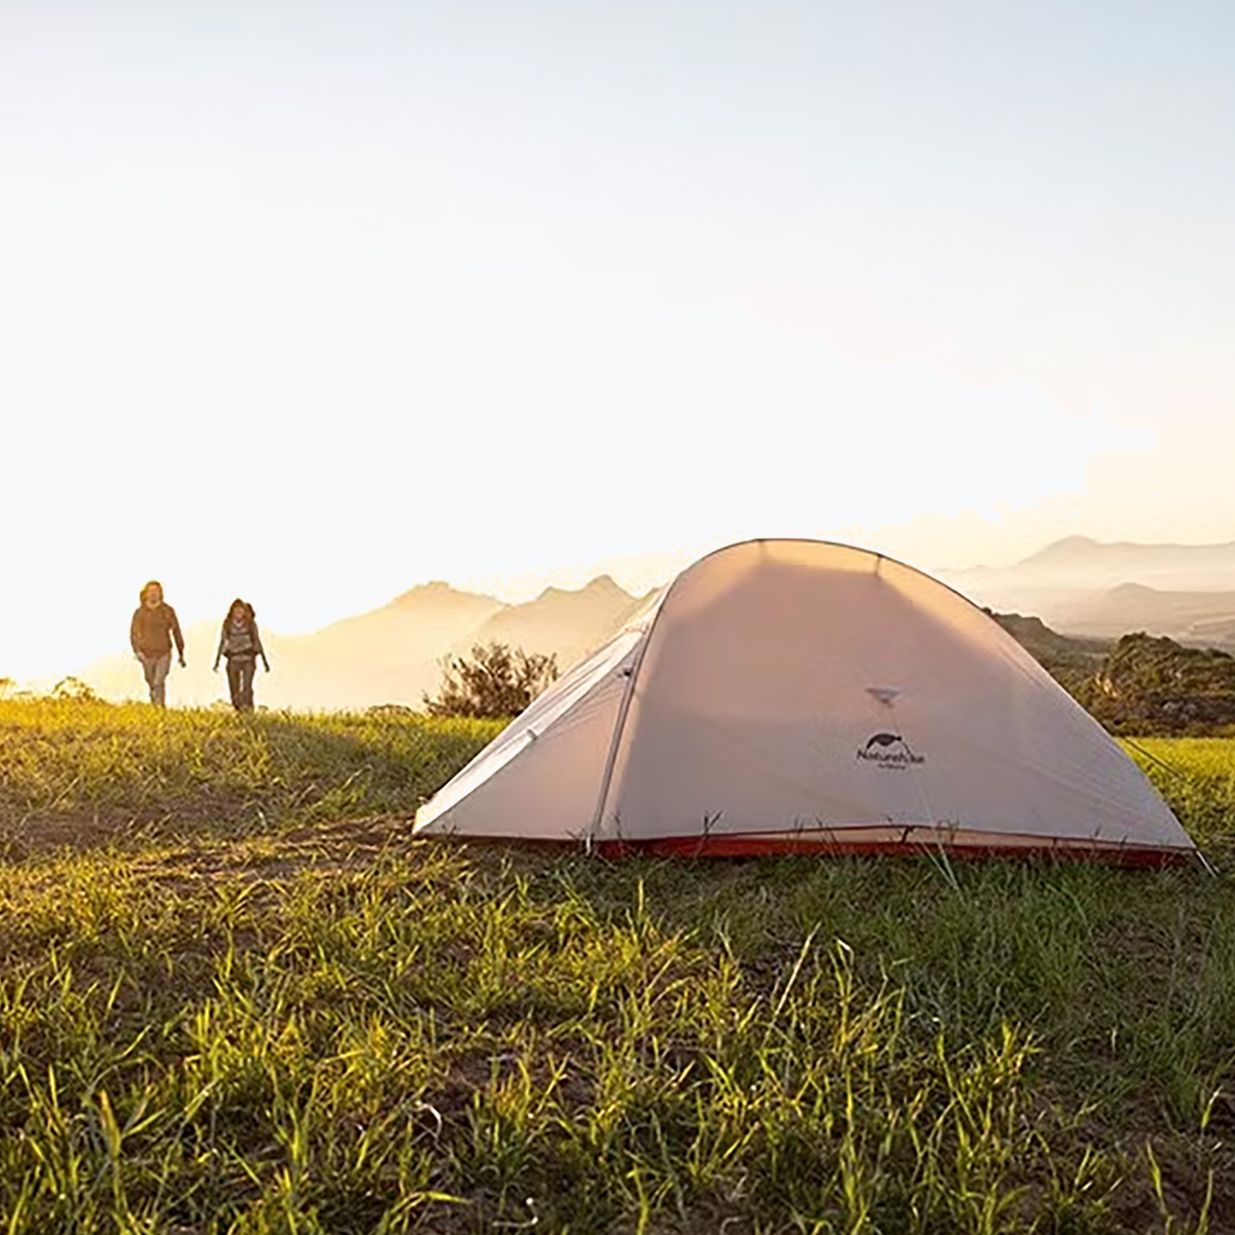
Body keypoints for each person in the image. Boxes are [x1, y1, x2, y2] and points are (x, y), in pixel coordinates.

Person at [130, 580, 185, 707]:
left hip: (163, 652)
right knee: (151, 682)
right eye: (151, 592)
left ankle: (160, 707)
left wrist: (181, 652)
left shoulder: (167, 611)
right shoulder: (140, 613)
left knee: (158, 681)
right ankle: (155, 706)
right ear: (146, 594)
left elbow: (176, 631)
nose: (154, 594)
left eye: (157, 591)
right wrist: (137, 651)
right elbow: (133, 633)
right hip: (146, 653)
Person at [213, 599, 270, 712]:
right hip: (233, 658)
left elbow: (257, 641)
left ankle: (248, 709)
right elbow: (223, 641)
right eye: (236, 610)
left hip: (248, 658)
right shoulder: (227, 624)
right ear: (232, 611)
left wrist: (265, 662)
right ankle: (238, 708)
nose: (239, 613)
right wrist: (217, 661)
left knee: (246, 687)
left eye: (241, 610)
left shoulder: (250, 624)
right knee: (234, 689)